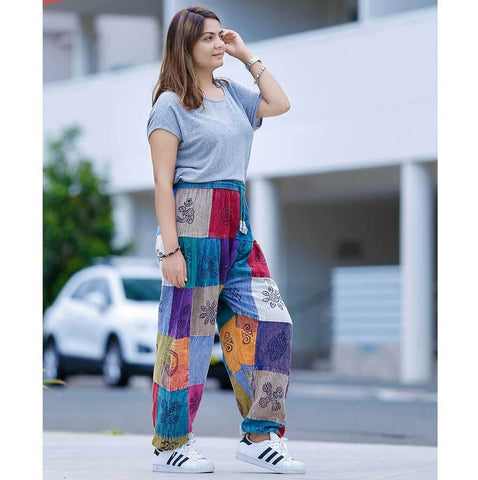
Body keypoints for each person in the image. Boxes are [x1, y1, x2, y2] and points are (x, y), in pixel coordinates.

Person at [147, 5, 305, 475]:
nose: (219, 43)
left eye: (221, 35)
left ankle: (260, 435)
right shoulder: (170, 105)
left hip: (237, 227)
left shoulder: (234, 93)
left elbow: (280, 103)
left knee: (273, 322)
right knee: (187, 340)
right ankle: (170, 444)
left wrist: (244, 55)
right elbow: (162, 183)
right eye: (209, 38)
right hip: (192, 229)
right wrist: (171, 249)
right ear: (185, 46)